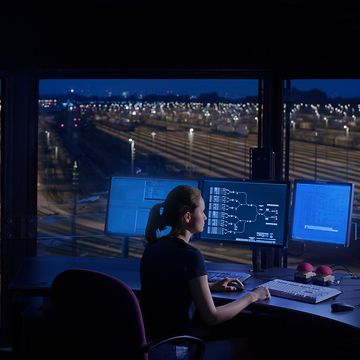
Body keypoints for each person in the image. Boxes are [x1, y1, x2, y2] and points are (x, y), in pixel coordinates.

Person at [140, 185, 270, 356]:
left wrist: (209, 286)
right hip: (176, 351)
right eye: (202, 212)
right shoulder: (191, 256)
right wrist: (253, 296)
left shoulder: (152, 248)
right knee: (249, 345)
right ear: (187, 216)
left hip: (152, 348)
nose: (206, 217)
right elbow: (212, 317)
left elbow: (170, 286)